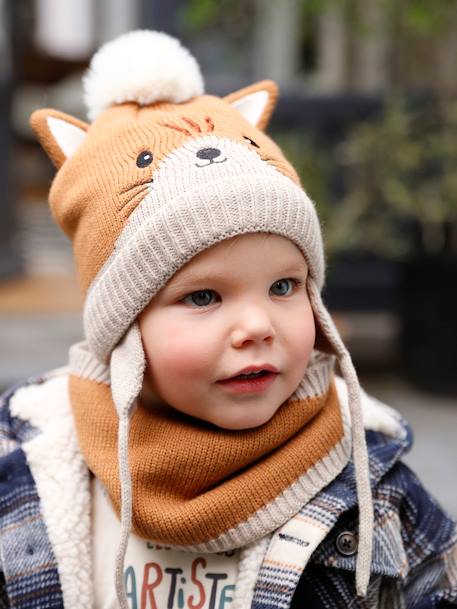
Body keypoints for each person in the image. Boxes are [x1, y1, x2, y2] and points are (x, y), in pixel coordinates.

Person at [1, 30, 456, 609]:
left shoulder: (373, 483)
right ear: (122, 325)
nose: (256, 327)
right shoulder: (32, 464)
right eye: (203, 297)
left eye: (284, 287)